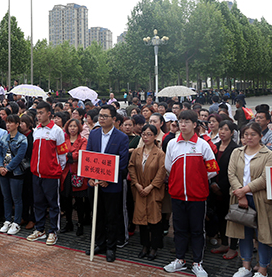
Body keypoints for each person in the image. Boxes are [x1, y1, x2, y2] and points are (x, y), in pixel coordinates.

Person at [163, 110, 218, 277]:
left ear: (195, 124)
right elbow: (168, 167)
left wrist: (197, 179)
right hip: (177, 194)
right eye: (181, 121)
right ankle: (180, 259)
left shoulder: (203, 145)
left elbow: (212, 169)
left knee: (197, 230)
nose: (183, 125)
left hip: (197, 196)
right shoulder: (172, 144)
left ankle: (197, 262)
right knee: (179, 229)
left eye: (187, 122)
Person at [226, 122, 272, 277]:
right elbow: (231, 174)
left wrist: (244, 190)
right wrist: (241, 194)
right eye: (246, 135)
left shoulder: (268, 155)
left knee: (263, 234)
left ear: (260, 136)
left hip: (260, 199)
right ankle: (246, 266)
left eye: (253, 134)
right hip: (240, 198)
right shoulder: (237, 152)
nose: (249, 137)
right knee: (244, 233)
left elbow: (265, 178)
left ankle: (263, 268)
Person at [85, 105, 129, 262]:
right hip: (95, 183)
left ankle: (111, 247)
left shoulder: (121, 137)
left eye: (105, 116)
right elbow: (89, 156)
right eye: (100, 116)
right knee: (97, 215)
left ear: (114, 119)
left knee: (112, 217)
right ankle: (100, 243)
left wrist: (108, 179)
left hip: (111, 185)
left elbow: (122, 163)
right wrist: (90, 177)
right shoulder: (94, 134)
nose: (101, 118)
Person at [26, 101, 68, 247]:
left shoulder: (57, 131)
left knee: (53, 204)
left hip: (51, 175)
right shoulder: (36, 130)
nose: (38, 116)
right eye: (37, 113)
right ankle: (40, 229)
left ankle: (53, 231)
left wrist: (56, 169)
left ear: (49, 113)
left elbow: (62, 155)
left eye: (41, 113)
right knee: (38, 203)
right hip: (36, 174)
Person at [128, 123, 166, 261]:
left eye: (149, 134)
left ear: (155, 136)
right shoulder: (137, 152)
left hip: (153, 191)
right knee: (142, 220)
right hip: (139, 190)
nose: (146, 137)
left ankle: (154, 247)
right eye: (143, 134)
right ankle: (145, 246)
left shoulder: (160, 153)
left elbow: (162, 172)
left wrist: (151, 187)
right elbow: (131, 167)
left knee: (154, 221)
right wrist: (137, 184)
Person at [209, 120, 239, 259]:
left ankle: (233, 247)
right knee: (220, 217)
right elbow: (209, 166)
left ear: (232, 133)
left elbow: (234, 171)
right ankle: (224, 243)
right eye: (221, 129)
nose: (222, 132)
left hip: (229, 189)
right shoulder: (214, 147)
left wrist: (220, 186)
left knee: (232, 218)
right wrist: (213, 184)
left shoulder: (236, 149)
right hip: (214, 187)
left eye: (226, 129)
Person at [0, 113, 28, 235]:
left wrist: (8, 168)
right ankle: (7, 220)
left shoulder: (22, 139)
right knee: (6, 197)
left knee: (16, 198)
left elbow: (20, 156)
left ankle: (16, 222)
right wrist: (0, 166)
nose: (8, 125)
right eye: (7, 122)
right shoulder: (4, 138)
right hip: (3, 171)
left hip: (16, 172)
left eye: (11, 122)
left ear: (17, 124)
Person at [60, 118, 88, 236]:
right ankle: (68, 223)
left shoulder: (83, 140)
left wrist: (68, 155)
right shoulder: (63, 139)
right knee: (66, 200)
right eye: (70, 126)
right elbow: (60, 153)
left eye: (75, 126)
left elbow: (82, 154)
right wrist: (71, 156)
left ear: (79, 128)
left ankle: (80, 224)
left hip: (78, 174)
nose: (72, 128)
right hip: (65, 173)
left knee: (79, 201)